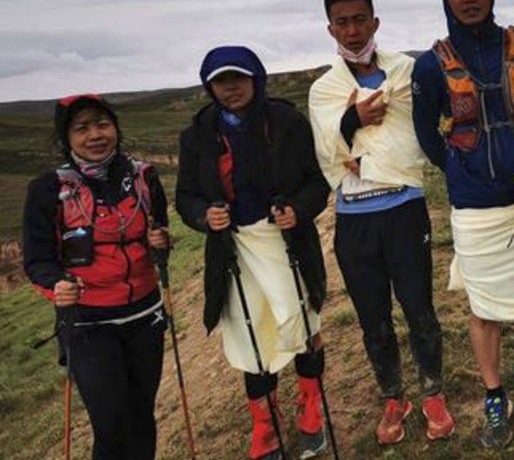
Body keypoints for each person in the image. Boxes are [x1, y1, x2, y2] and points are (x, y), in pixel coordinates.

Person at [411, 0, 514, 449]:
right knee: (484, 309)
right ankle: (494, 393)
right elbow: (426, 135)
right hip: (474, 205)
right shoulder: (432, 64)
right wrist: (461, 168)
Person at [307, 0, 454, 445]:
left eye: (359, 20)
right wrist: (351, 121)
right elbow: (325, 152)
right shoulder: (324, 89)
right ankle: (394, 395)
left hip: (404, 208)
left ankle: (433, 391)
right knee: (373, 318)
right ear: (330, 28)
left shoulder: (406, 72)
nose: (352, 31)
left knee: (419, 309)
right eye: (342, 22)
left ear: (375, 21)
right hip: (354, 217)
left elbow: (431, 118)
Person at [176, 46, 331, 460]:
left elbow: (317, 182)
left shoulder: (287, 122)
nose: (231, 89)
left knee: (301, 322)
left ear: (256, 78)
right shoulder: (197, 135)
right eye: (221, 82)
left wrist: (297, 209)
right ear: (209, 86)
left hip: (285, 240)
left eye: (239, 79)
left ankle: (310, 408)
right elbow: (185, 197)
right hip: (233, 249)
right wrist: (204, 215)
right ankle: (266, 425)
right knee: (249, 336)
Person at [23, 94, 169, 459]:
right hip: (88, 322)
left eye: (102, 124)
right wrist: (55, 284)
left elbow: (159, 231)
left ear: (116, 127)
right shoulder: (48, 188)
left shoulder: (144, 176)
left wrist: (161, 242)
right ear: (66, 137)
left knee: (141, 415)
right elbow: (38, 260)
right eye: (82, 128)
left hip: (144, 315)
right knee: (111, 422)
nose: (95, 135)